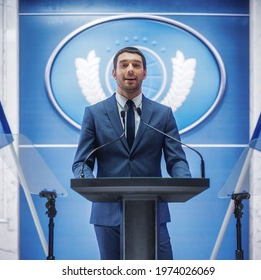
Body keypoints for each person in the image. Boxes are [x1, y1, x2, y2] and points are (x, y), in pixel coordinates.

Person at [72, 46, 191, 260]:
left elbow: (176, 160)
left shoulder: (163, 115)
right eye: (124, 65)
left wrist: (185, 182)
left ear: (144, 73)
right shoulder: (94, 114)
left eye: (136, 65)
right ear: (114, 73)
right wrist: (89, 183)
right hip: (107, 213)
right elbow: (82, 163)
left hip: (153, 212)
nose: (130, 70)